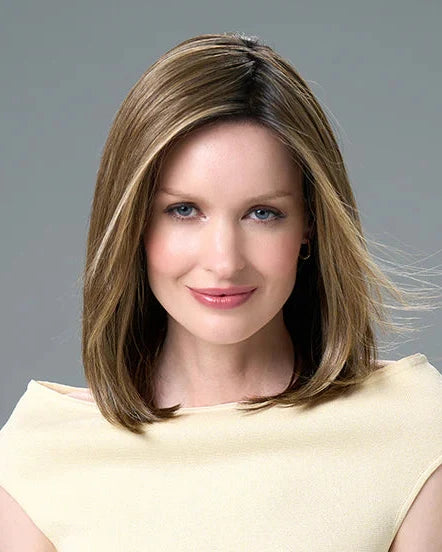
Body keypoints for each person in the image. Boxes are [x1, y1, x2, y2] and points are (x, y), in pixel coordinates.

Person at [1, 31, 441, 552]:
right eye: (184, 210)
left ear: (310, 226)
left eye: (263, 213)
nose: (224, 261)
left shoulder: (415, 431)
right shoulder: (38, 459)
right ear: (133, 224)